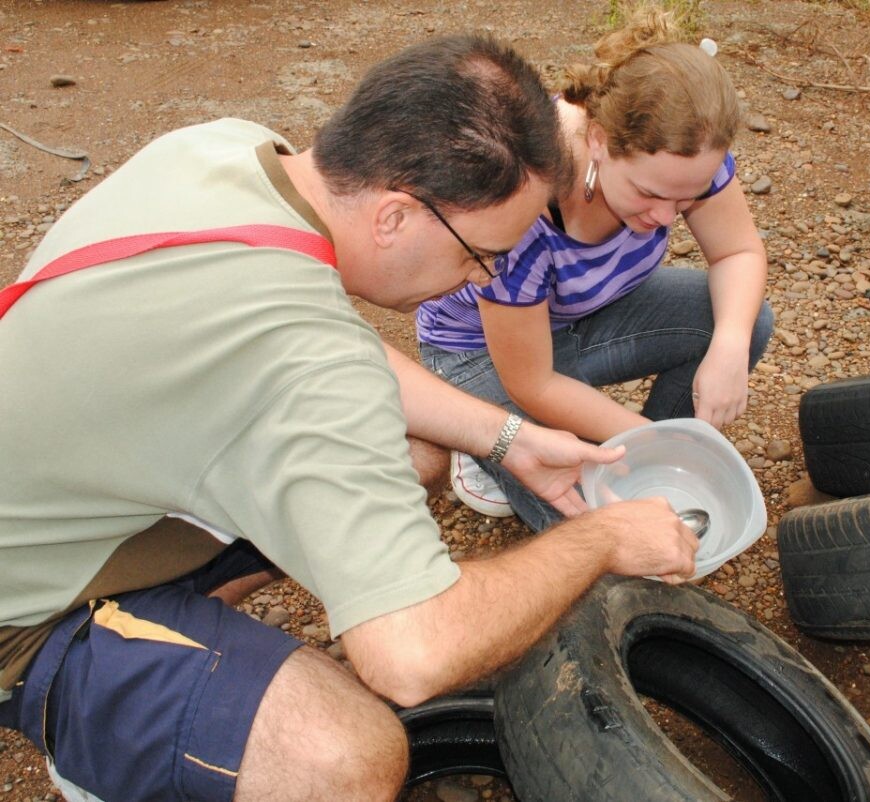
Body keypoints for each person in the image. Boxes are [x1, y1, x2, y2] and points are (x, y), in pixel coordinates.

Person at [0, 35, 700, 802]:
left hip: (78, 490)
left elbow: (328, 358)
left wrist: (510, 437)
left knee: (417, 453)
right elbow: (412, 658)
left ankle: (183, 647)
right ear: (397, 216)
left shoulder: (227, 151)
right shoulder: (300, 366)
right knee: (344, 756)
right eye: (482, 255)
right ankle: (112, 744)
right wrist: (600, 538)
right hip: (25, 607)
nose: (482, 278)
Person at [416, 11, 775, 529]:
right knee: (584, 513)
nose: (665, 219)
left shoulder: (687, 152)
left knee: (740, 320)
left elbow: (737, 253)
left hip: (577, 315)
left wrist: (730, 345)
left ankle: (651, 469)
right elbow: (533, 382)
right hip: (482, 354)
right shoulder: (524, 199)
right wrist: (647, 445)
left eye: (687, 199)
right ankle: (480, 440)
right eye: (650, 195)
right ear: (600, 141)